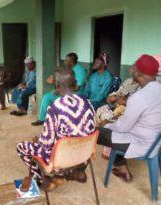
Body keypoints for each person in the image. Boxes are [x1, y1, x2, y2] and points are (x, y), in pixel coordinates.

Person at [17, 67, 96, 191]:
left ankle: (44, 180)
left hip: (62, 160)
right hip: (84, 157)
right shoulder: (88, 103)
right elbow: (90, 130)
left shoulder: (56, 107)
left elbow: (46, 144)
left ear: (57, 86)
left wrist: (38, 141)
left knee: (22, 147)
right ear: (75, 85)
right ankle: (75, 173)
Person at [97, 54, 161, 183]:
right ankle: (121, 168)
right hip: (155, 141)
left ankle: (77, 170)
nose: (131, 69)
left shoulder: (139, 97)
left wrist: (105, 126)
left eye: (133, 67)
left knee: (95, 132)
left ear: (140, 73)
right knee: (114, 123)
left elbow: (122, 128)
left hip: (140, 143)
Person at [31, 53, 87, 126]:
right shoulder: (69, 69)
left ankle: (57, 122)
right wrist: (54, 82)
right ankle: (42, 119)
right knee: (47, 97)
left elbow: (76, 88)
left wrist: (61, 90)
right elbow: (65, 82)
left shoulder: (80, 71)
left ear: (72, 62)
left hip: (75, 95)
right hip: (65, 92)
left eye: (67, 61)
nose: (65, 62)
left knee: (58, 102)